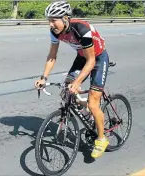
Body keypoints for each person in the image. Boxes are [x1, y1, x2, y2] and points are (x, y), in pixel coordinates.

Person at [34, 1, 110, 158]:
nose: (51, 24)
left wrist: (77, 82)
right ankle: (84, 107)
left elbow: (91, 62)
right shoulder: (54, 32)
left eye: (54, 20)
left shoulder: (81, 29)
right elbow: (52, 56)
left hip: (98, 58)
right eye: (49, 20)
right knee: (66, 91)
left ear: (66, 18)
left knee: (93, 102)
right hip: (82, 57)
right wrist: (44, 77)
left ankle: (101, 139)